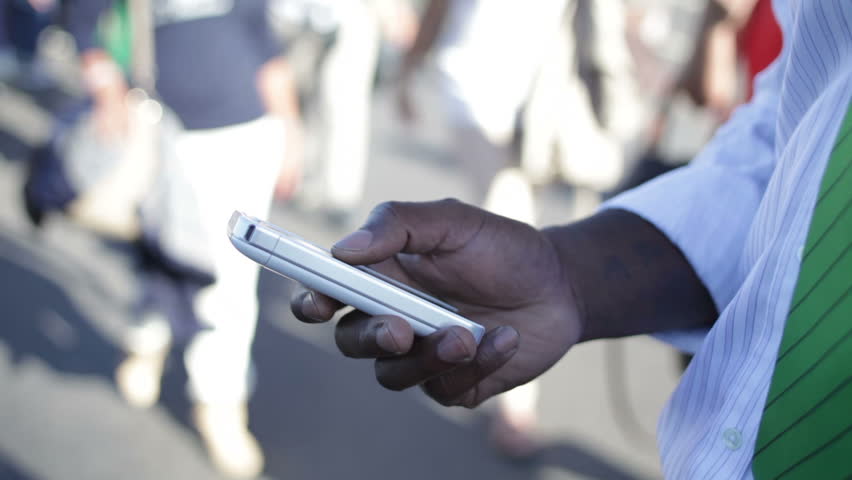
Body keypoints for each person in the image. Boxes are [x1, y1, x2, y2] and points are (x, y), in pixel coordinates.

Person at [291, 0, 852, 477]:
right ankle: (515, 401)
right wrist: (569, 275)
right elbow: (801, 134)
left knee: (499, 215)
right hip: (474, 99)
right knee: (487, 252)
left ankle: (517, 409)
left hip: (520, 109)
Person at [64, 1, 302, 477]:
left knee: (233, 281)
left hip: (249, 134)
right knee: (161, 252)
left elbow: (264, 42)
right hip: (165, 133)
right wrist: (107, 90)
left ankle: (220, 403)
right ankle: (147, 337)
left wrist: (291, 130)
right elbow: (81, 19)